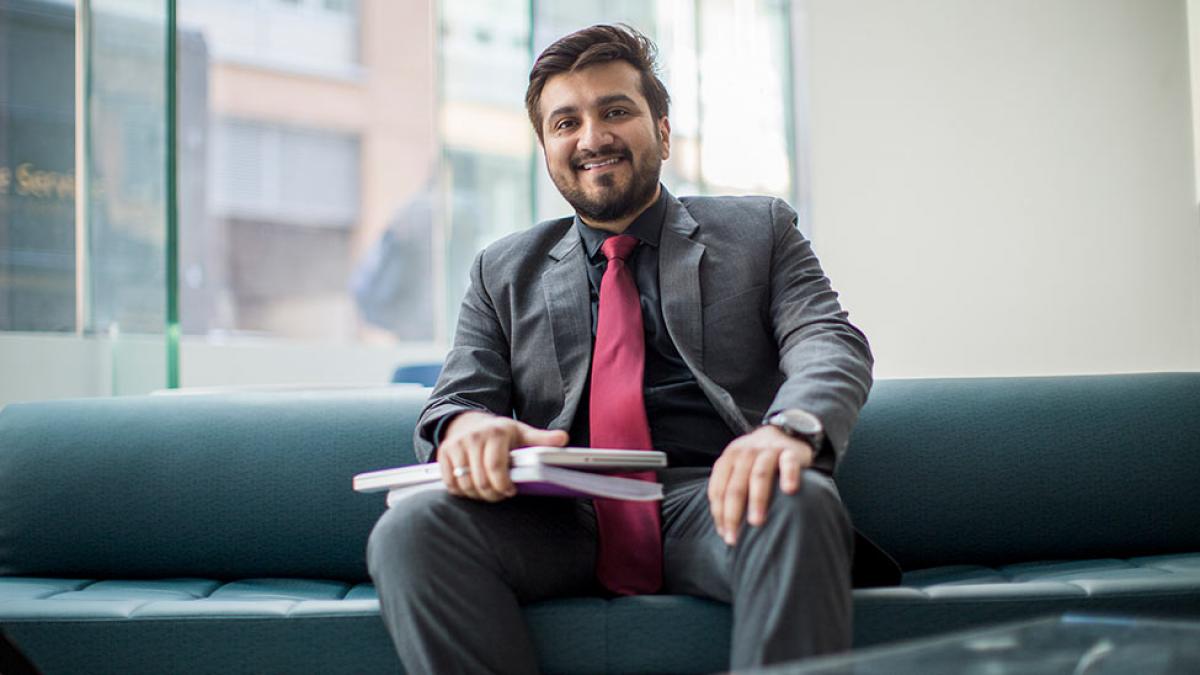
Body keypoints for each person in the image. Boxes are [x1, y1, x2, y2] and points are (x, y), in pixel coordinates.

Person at [367, 24, 874, 673]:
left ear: (662, 131)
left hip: (716, 498)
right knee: (412, 530)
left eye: (615, 111)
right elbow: (456, 400)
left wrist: (789, 429)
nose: (592, 137)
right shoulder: (501, 270)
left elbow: (828, 340)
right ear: (547, 150)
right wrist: (469, 429)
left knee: (796, 496)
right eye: (565, 122)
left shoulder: (760, 231)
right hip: (558, 518)